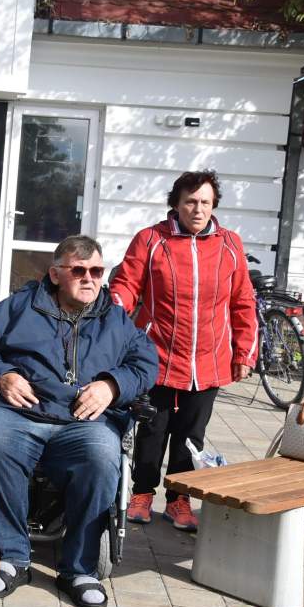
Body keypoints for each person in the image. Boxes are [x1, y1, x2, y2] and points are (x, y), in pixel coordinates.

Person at [0, 235, 158, 607]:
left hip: (84, 422)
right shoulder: (20, 307)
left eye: (97, 271)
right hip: (21, 413)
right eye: (79, 271)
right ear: (55, 274)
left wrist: (113, 386)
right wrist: (1, 374)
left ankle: (79, 569)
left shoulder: (114, 318)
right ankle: (12, 557)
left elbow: (145, 364)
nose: (89, 279)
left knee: (102, 454)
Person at [110, 170, 257, 533]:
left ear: (214, 206)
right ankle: (141, 493)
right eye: (190, 201)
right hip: (156, 357)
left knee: (191, 436)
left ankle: (179, 500)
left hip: (208, 360)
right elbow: (127, 283)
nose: (198, 209)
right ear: (176, 203)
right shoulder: (150, 240)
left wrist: (244, 353)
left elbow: (242, 301)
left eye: (205, 202)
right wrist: (112, 311)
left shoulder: (230, 244)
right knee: (152, 431)